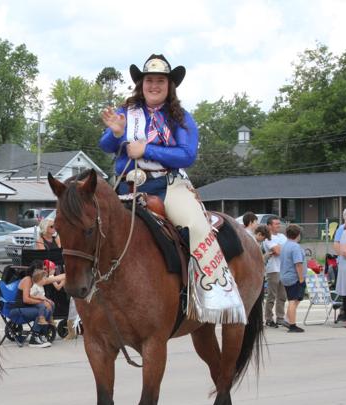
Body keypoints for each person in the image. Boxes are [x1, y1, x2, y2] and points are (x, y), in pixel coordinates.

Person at [99, 53, 245, 324]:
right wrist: (117, 133)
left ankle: (212, 295)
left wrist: (147, 148)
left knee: (197, 227)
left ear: (170, 86)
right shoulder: (126, 112)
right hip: (126, 185)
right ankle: (92, 297)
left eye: (160, 81)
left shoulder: (181, 118)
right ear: (141, 84)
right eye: (149, 80)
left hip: (167, 185)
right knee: (94, 227)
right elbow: (106, 145)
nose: (154, 85)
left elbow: (187, 155)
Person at [12, 262, 53, 348]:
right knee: (42, 310)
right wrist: (42, 302)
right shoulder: (28, 280)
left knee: (51, 305)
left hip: (28, 308)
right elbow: (26, 299)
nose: (45, 271)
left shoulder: (37, 281)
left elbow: (55, 279)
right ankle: (34, 338)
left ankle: (42, 334)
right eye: (43, 269)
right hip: (19, 309)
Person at [279, 224, 306, 333]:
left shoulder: (285, 245)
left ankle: (287, 319)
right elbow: (298, 264)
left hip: (285, 275)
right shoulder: (295, 247)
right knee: (293, 300)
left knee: (294, 299)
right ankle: (292, 325)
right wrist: (301, 279)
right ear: (298, 235)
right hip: (293, 277)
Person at [263, 216, 287, 328]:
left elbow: (287, 250)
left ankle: (280, 318)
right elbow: (277, 251)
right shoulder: (268, 238)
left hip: (283, 269)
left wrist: (281, 248)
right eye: (276, 224)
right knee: (272, 295)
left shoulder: (282, 236)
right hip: (273, 269)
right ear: (269, 226)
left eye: (279, 223)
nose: (279, 225)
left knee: (282, 295)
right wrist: (282, 248)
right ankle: (268, 318)